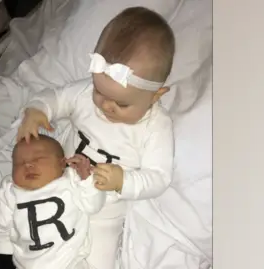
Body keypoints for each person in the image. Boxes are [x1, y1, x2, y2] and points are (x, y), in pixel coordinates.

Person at [17, 6, 176, 269]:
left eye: (122, 104)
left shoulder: (156, 127)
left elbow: (159, 177)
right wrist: (37, 111)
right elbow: (55, 97)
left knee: (98, 260)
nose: (106, 106)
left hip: (104, 214)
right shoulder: (85, 94)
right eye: (100, 93)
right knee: (32, 245)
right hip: (58, 189)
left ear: (156, 95)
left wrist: (123, 180)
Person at [0, 135, 106, 269]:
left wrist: (87, 179)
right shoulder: (12, 191)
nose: (28, 165)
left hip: (69, 262)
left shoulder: (71, 181)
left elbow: (93, 205)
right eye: (19, 163)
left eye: (38, 159)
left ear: (62, 163)